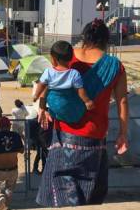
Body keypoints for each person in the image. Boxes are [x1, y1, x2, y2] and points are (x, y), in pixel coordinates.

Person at [36, 19, 129, 207]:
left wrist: (42, 108)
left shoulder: (67, 56)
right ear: (106, 40)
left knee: (61, 189)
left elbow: (47, 81)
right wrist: (123, 134)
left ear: (84, 36)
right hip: (94, 137)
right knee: (90, 193)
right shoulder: (115, 66)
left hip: (64, 134)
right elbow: (122, 101)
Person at [33, 40, 94, 124]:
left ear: (53, 59)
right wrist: (87, 101)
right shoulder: (74, 73)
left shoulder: (48, 72)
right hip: (69, 106)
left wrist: (36, 95)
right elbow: (80, 90)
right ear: (71, 58)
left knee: (48, 98)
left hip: (55, 105)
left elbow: (41, 85)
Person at [0, 117, 24, 210]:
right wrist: (13, 149)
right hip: (13, 168)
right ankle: (5, 205)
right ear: (10, 126)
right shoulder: (16, 136)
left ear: (0, 126)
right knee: (10, 188)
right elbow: (22, 150)